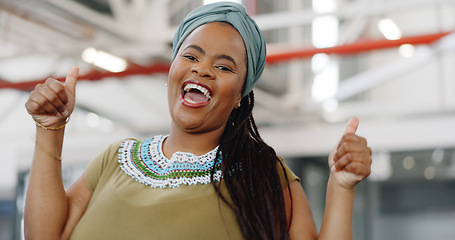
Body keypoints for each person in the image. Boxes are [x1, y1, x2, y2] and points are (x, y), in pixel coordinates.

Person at [24, 2, 372, 240]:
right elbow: (44, 235)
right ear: (172, 70)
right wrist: (49, 129)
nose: (202, 69)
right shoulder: (114, 161)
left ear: (240, 96)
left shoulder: (263, 176)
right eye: (190, 56)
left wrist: (341, 186)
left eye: (223, 66)